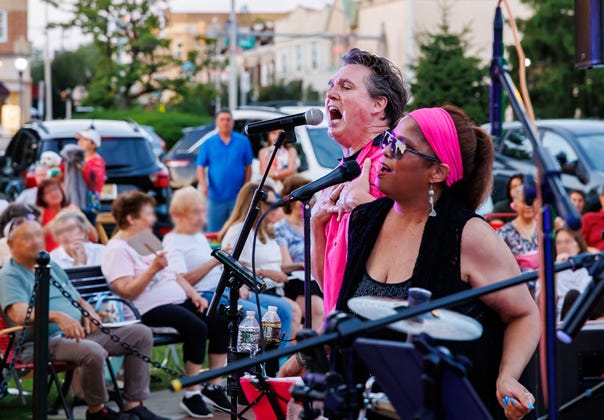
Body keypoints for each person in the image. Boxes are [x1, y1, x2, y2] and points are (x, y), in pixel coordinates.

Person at [334, 106, 540, 419]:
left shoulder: (467, 235)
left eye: (399, 146)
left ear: (437, 173)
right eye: (388, 139)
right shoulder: (364, 220)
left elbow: (524, 314)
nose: (385, 151)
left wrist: (508, 376)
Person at [0, 218, 167, 420]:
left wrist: (88, 311)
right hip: (44, 343)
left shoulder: (50, 265)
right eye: (27, 237)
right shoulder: (10, 275)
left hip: (80, 333)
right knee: (92, 352)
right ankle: (97, 411)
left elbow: (77, 298)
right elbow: (19, 314)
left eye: (38, 235)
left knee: (140, 334)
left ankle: (133, 405)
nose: (35, 241)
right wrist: (58, 317)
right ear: (11, 244)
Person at [101, 191, 230, 417]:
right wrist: (152, 269)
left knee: (219, 320)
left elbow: (172, 274)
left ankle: (213, 386)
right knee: (197, 328)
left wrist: (193, 294)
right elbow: (127, 291)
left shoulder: (144, 238)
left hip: (176, 300)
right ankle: (192, 393)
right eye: (148, 214)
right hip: (145, 308)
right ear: (131, 218)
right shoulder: (117, 249)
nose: (153, 218)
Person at [311, 48, 408, 316]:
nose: (331, 94)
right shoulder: (340, 173)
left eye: (346, 87)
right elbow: (327, 284)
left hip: (375, 327)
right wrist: (316, 225)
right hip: (339, 326)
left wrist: (369, 208)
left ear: (378, 104)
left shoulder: (396, 164)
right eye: (331, 86)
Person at [219, 182, 302, 344]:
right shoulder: (239, 231)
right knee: (290, 310)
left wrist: (299, 266)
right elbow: (230, 265)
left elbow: (273, 266)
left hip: (273, 288)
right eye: (271, 204)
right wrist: (264, 273)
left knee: (306, 304)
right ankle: (279, 357)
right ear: (255, 205)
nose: (276, 209)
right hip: (251, 290)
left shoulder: (266, 230)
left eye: (277, 204)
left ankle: (287, 356)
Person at [275, 175, 324, 330]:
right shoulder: (281, 228)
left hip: (316, 276)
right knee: (318, 309)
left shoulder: (313, 223)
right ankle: (312, 345)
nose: (311, 201)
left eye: (312, 197)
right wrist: (304, 265)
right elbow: (286, 265)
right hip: (296, 280)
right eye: (306, 197)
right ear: (293, 201)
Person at [196, 109, 253, 232]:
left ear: (233, 122)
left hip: (237, 197)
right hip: (215, 197)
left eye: (228, 119)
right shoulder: (208, 143)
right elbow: (200, 166)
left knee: (237, 231)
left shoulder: (243, 141)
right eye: (222, 119)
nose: (225, 122)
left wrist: (246, 187)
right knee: (214, 233)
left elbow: (248, 166)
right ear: (217, 122)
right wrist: (203, 186)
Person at [36, 178, 98, 252]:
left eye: (55, 189)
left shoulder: (72, 209)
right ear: (42, 197)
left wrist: (81, 216)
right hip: (52, 256)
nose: (53, 193)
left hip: (75, 253)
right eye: (48, 191)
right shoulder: (41, 212)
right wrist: (59, 217)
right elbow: (36, 237)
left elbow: (94, 238)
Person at [497, 186, 540, 273]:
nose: (528, 206)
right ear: (515, 205)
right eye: (524, 202)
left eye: (531, 201)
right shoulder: (504, 232)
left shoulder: (545, 228)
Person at [76, 129, 106, 223]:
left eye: (85, 139)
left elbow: (94, 179)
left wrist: (83, 168)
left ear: (94, 145)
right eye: (80, 139)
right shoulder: (80, 158)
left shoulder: (97, 161)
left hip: (88, 201)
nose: (80, 141)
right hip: (77, 200)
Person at [581, 184, 604, 251]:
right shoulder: (589, 218)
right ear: (601, 198)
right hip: (596, 256)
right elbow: (578, 244)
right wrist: (591, 250)